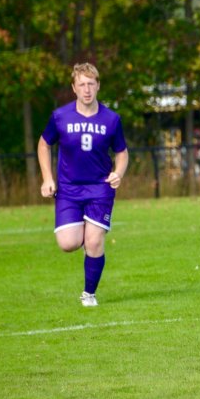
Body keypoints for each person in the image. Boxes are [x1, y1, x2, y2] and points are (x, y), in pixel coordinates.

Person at [37, 63, 129, 307]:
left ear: (98, 86)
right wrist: (47, 178)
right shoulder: (60, 117)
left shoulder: (111, 119)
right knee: (68, 243)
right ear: (73, 88)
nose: (87, 89)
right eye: (81, 84)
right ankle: (85, 239)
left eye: (91, 84)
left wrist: (118, 173)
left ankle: (89, 294)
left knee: (94, 242)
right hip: (68, 190)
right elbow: (44, 144)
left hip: (100, 189)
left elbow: (122, 152)